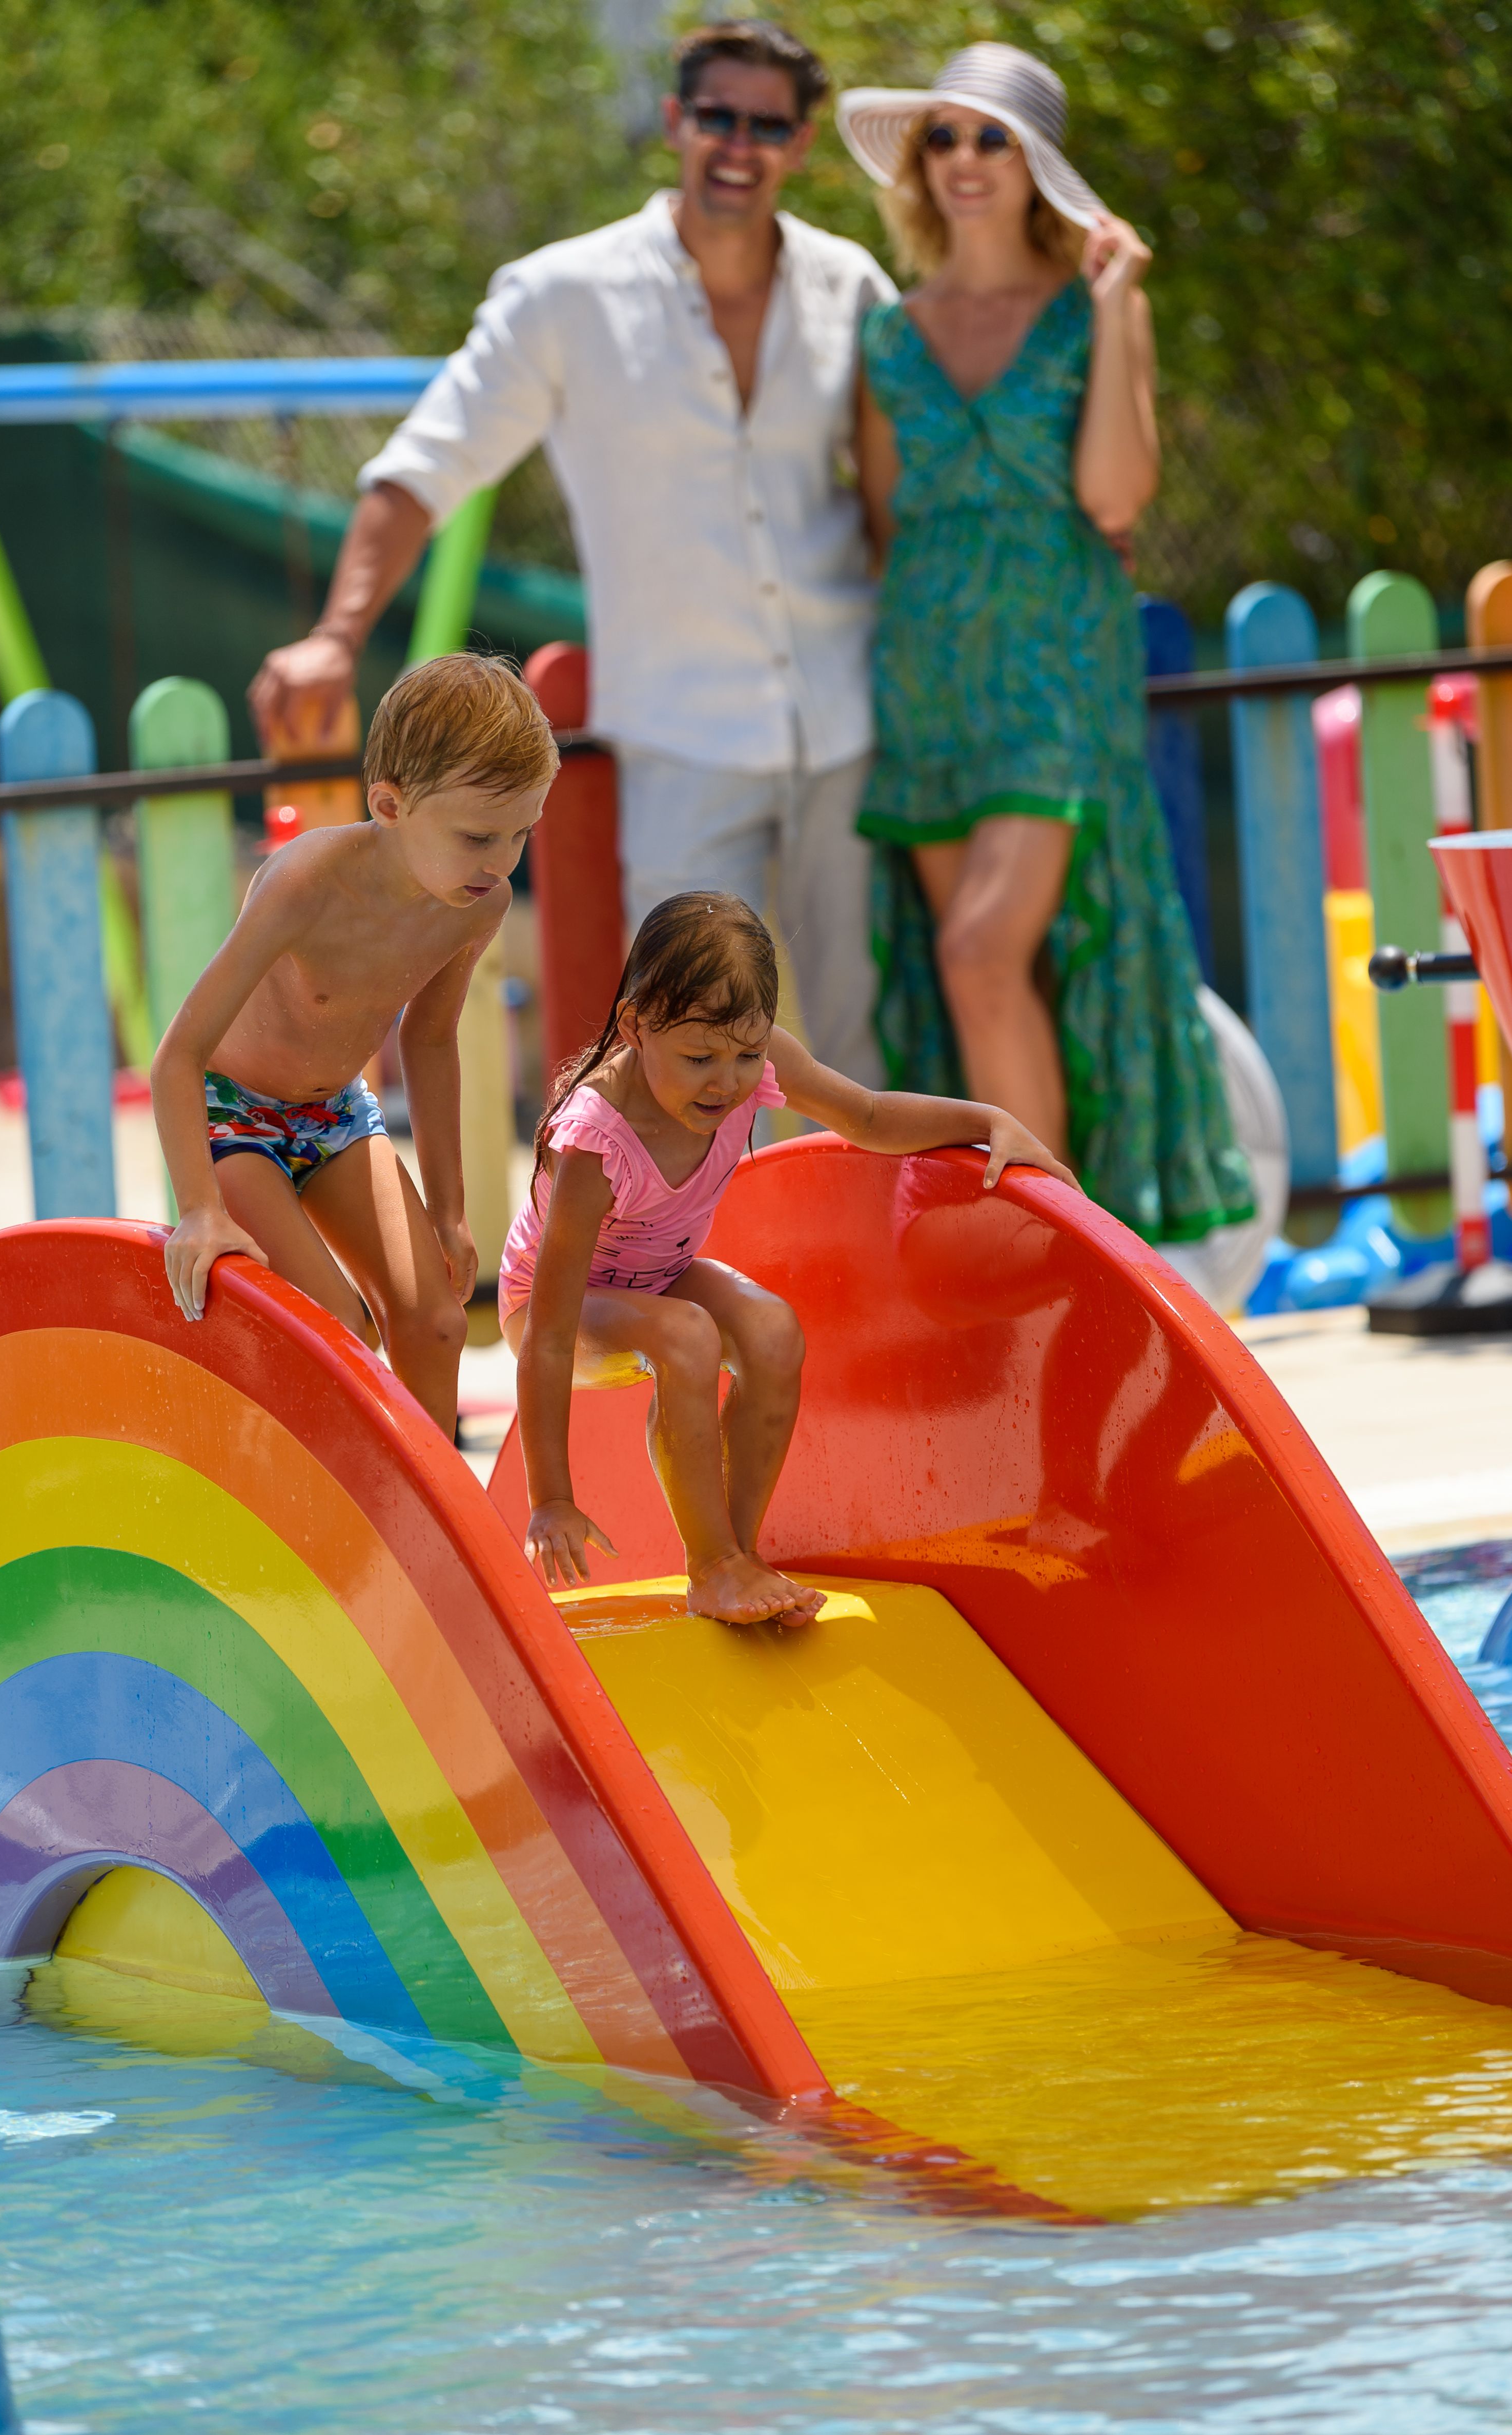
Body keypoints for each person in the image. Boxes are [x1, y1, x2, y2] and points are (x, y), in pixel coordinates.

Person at [249, 20, 894, 1087]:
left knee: (857, 1040)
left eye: (767, 124)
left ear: (802, 141)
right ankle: (699, 1259)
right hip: (683, 734)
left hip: (848, 722)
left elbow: (900, 499)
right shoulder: (566, 295)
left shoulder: (851, 285)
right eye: (718, 116)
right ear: (676, 121)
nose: (740, 144)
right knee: (688, 1047)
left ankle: (854, 1261)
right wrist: (336, 635)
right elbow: (424, 467)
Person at [837, 44, 1253, 1242]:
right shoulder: (889, 337)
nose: (964, 161)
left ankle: (1064, 1250)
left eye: (994, 138)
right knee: (977, 978)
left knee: (980, 953)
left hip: (1055, 680)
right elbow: (882, 521)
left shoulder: (1089, 313)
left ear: (1040, 167)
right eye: (945, 138)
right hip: (926, 682)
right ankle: (1022, 1260)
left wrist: (1121, 302)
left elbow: (1115, 499)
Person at [501, 893, 1075, 1626]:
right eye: (699, 1058)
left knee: (772, 1330)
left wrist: (985, 1119)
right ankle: (709, 1565)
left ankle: (737, 1552)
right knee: (686, 1335)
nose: (726, 1082)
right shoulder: (595, 1140)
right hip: (557, 1308)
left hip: (658, 1277)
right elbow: (548, 1333)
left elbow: (864, 1116)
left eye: (746, 1054)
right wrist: (550, 1497)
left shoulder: (756, 1061)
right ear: (634, 1025)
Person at [151, 653, 559, 1431]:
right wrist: (200, 1207)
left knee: (437, 1318)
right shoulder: (306, 883)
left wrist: (448, 1211)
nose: (501, 862)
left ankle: (428, 1538)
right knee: (341, 1329)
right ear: (390, 802)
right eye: (479, 835)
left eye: (521, 835)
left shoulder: (475, 902)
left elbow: (433, 1040)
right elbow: (178, 1054)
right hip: (230, 1118)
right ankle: (345, 1519)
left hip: (337, 1116)